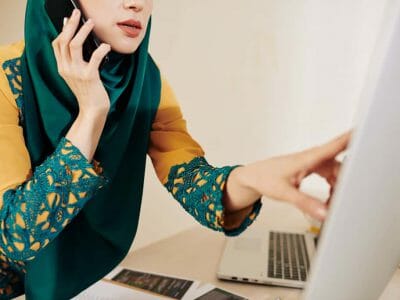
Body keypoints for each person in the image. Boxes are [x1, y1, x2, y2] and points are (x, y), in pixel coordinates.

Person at [0, 0, 350, 298]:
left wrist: (254, 178)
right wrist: (91, 113)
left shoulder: (145, 81)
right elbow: (18, 235)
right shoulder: (6, 77)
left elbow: (192, 181)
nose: (137, 3)